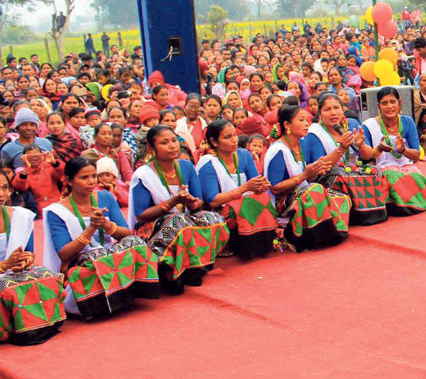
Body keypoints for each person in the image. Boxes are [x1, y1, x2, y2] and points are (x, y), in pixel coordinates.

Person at [44, 157, 158, 319]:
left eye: (93, 176)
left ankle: (128, 294)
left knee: (136, 243)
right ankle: (100, 301)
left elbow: (126, 233)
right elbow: (64, 254)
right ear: (69, 181)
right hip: (81, 264)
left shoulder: (105, 197)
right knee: (99, 259)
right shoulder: (57, 211)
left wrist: (105, 224)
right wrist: (90, 229)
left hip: (108, 254)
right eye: (84, 177)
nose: (91, 182)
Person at [129, 125, 230, 294]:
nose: (172, 145)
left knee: (213, 218)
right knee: (178, 220)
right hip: (153, 228)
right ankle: (168, 269)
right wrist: (172, 202)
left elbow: (199, 203)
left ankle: (196, 265)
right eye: (165, 142)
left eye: (174, 140)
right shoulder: (143, 175)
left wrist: (190, 202)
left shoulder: (186, 166)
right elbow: (141, 215)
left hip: (184, 220)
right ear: (152, 149)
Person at [264, 105, 350, 251]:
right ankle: (305, 237)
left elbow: (309, 176)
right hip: (283, 202)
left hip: (302, 192)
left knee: (339, 197)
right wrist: (305, 176)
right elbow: (275, 188)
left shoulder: (302, 144)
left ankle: (331, 234)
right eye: (302, 120)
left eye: (307, 120)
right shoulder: (278, 150)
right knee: (315, 190)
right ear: (287, 125)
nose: (306, 124)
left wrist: (314, 173)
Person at [302, 93, 388, 226]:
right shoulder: (314, 133)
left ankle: (372, 212)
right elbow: (320, 166)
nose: (333, 113)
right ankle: (357, 214)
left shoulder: (350, 125)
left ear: (343, 109)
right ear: (320, 113)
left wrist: (361, 145)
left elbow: (368, 156)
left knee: (374, 171)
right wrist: (341, 148)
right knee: (342, 176)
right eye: (327, 109)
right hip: (328, 178)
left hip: (350, 171)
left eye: (336, 108)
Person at [0, 173, 66, 344]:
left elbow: (28, 253)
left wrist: (25, 260)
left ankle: (39, 326)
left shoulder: (20, 216)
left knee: (46, 276)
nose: (1, 194)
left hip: (11, 274)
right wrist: (4, 265)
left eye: (4, 188)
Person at [197, 119, 276, 259]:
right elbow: (213, 201)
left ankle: (259, 245)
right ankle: (238, 245)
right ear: (214, 142)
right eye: (227, 137)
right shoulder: (208, 163)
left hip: (242, 203)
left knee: (263, 198)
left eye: (235, 135)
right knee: (243, 204)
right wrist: (244, 188)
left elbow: (255, 182)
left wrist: (261, 185)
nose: (234, 140)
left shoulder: (243, 155)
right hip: (221, 211)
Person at [361, 86, 426, 215]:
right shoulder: (369, 126)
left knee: (415, 176)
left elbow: (416, 156)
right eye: (384, 103)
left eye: (393, 102)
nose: (389, 106)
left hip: (405, 166)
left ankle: (410, 204)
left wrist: (403, 149)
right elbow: (366, 157)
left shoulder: (407, 122)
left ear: (399, 103)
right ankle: (405, 205)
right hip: (381, 170)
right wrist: (379, 149)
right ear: (378, 106)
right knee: (393, 176)